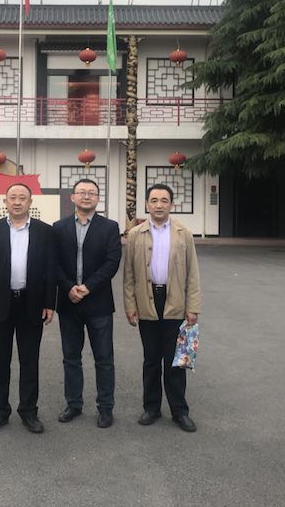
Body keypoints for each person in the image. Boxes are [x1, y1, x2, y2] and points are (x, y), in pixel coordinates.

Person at [0, 183, 57, 434]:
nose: (18, 202)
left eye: (23, 198)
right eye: (13, 197)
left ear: (30, 202)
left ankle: (29, 411)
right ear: (6, 201)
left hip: (31, 304)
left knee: (29, 361)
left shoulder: (44, 231)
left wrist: (49, 303)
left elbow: (50, 269)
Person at [123, 183, 202, 432]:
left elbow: (193, 274)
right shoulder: (135, 234)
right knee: (151, 359)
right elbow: (129, 276)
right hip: (147, 300)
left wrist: (193, 307)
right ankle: (151, 408)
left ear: (171, 205)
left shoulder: (183, 233)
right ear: (147, 204)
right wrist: (130, 306)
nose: (159, 205)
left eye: (164, 200)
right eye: (154, 200)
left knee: (175, 361)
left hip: (175, 301)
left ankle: (180, 411)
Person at [53, 179, 122, 428]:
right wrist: (68, 287)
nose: (86, 196)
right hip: (68, 301)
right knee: (71, 357)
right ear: (72, 197)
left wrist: (88, 286)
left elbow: (112, 262)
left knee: (104, 358)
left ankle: (105, 407)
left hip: (98, 302)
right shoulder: (58, 227)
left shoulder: (110, 227)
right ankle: (73, 404)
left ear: (97, 198)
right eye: (81, 192)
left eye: (91, 193)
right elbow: (54, 262)